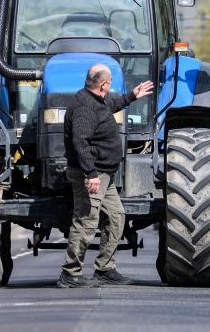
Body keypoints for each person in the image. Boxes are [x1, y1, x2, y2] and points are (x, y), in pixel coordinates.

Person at [60, 63, 154, 287]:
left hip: (105, 174)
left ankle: (105, 268)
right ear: (104, 84)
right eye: (109, 83)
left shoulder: (97, 100)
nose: (110, 88)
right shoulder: (84, 106)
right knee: (86, 221)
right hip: (92, 175)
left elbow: (113, 102)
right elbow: (80, 142)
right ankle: (70, 273)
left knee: (116, 216)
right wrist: (90, 174)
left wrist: (132, 96)